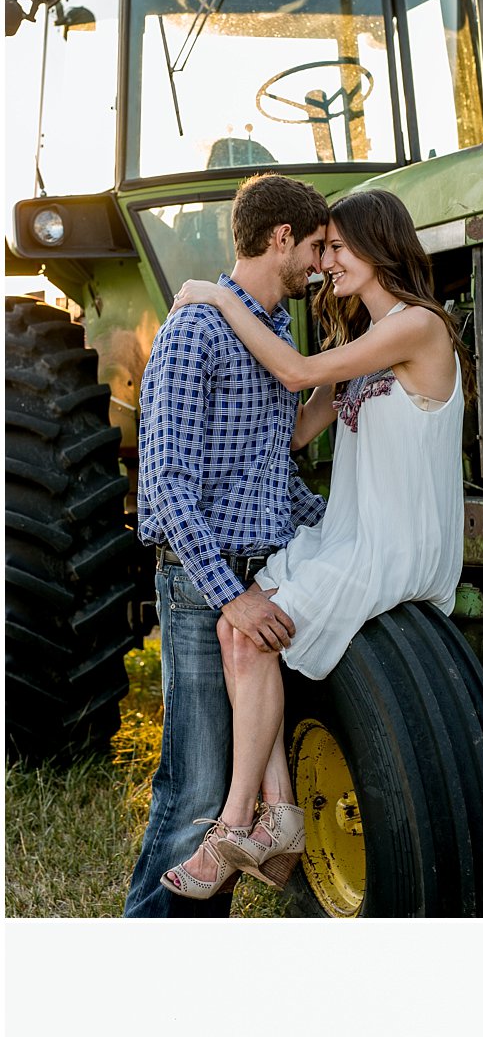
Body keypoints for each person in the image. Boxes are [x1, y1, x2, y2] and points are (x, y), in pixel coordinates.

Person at [158, 187, 472, 899]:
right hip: (345, 533)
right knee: (240, 625)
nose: (326, 262)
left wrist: (217, 295)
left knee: (251, 634)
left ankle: (238, 823)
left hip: (394, 543)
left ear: (377, 244)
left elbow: (295, 373)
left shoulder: (419, 326)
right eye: (320, 248)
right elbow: (295, 430)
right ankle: (283, 817)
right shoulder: (361, 349)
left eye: (337, 248)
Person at [124, 172, 330, 917]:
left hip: (261, 578)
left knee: (235, 809)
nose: (318, 263)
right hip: (201, 586)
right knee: (197, 793)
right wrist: (231, 595)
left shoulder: (274, 337)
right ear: (282, 239)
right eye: (313, 247)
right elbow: (168, 485)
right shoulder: (194, 333)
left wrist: (341, 533)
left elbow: (270, 474)